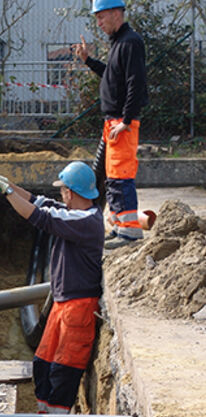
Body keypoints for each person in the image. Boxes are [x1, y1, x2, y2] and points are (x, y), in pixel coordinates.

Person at [0, 162, 104, 413]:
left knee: (64, 370)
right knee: (44, 362)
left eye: (63, 190)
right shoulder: (73, 213)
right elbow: (38, 202)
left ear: (71, 192)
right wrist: (8, 186)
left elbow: (38, 216)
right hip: (62, 303)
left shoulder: (84, 221)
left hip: (79, 307)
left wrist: (8, 192)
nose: (60, 195)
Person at [73, 0, 148, 249]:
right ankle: (118, 227)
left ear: (116, 13)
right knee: (111, 177)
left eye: (101, 17)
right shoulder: (119, 43)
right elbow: (112, 76)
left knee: (120, 177)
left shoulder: (130, 42)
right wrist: (88, 60)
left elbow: (135, 84)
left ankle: (129, 233)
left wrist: (126, 121)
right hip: (113, 122)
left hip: (120, 123)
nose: (99, 23)